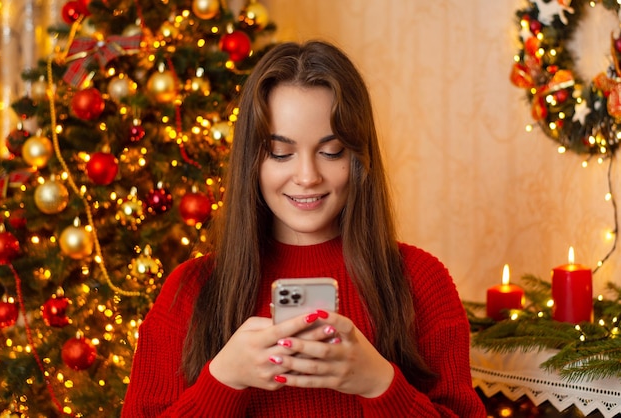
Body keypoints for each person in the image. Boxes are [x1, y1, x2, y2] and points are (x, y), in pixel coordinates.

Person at [122, 40, 486, 417]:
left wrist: (379, 383)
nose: (308, 177)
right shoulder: (191, 290)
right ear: (254, 160)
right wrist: (223, 380)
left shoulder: (420, 280)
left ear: (359, 158)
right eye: (281, 153)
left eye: (331, 152)